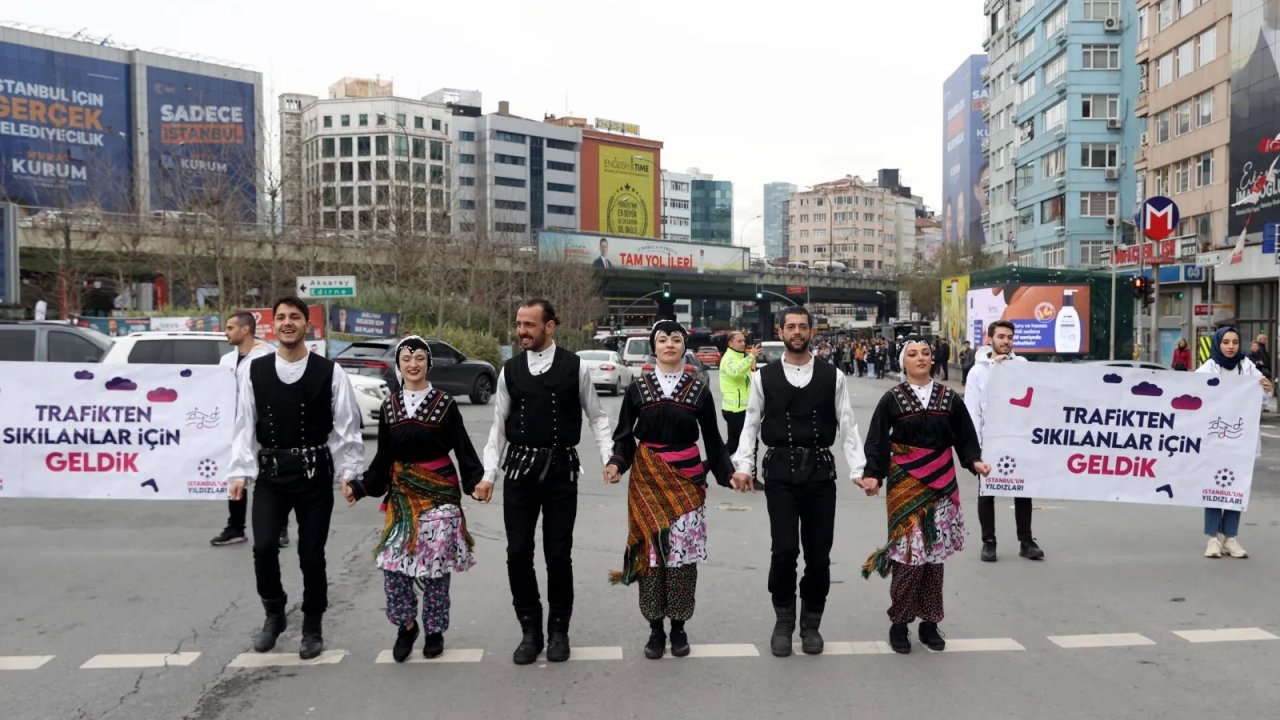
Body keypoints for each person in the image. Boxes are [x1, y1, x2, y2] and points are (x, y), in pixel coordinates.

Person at [225, 296, 364, 659]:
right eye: (281, 317)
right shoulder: (252, 370)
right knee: (264, 546)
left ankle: (312, 624)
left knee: (311, 553)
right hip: (271, 474)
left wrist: (350, 472)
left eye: (295, 317)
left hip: (315, 474)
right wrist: (239, 471)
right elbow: (244, 425)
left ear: (307, 325)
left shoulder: (330, 372)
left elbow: (347, 428)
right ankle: (274, 612)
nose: (288, 322)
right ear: (273, 325)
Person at [478, 299, 613, 665]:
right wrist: (488, 475)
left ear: (549, 326)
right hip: (519, 472)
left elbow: (597, 417)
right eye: (519, 323)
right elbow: (498, 429)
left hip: (560, 473)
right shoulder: (509, 371)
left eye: (529, 324)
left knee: (558, 553)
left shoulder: (575, 367)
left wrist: (609, 458)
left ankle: (558, 631)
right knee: (517, 552)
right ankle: (529, 630)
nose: (522, 330)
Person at [728, 306, 866, 658]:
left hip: (820, 473)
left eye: (803, 326)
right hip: (780, 475)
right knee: (785, 550)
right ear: (781, 331)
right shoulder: (764, 377)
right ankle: (784, 621)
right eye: (791, 326)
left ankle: (811, 625)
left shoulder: (833, 376)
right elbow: (751, 425)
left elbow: (848, 424)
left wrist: (859, 470)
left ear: (811, 332)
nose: (797, 332)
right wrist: (744, 465)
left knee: (819, 557)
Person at [343, 336, 483, 661]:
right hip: (402, 496)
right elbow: (382, 458)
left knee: (435, 567)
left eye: (419, 357)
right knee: (393, 566)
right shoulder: (389, 406)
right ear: (399, 364)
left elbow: (463, 448)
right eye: (407, 358)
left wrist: (476, 481)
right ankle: (406, 626)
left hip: (440, 494)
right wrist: (362, 486)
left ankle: (434, 630)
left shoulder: (445, 404)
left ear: (428, 363)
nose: (413, 364)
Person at [604, 320, 732, 659]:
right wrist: (617, 463)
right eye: (663, 340)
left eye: (676, 339)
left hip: (687, 479)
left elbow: (712, 437)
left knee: (681, 556)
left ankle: (678, 627)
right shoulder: (638, 387)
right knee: (652, 555)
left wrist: (727, 473)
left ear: (684, 346)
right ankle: (655, 630)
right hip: (647, 477)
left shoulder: (697, 387)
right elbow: (623, 433)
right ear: (654, 346)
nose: (670, 344)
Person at [857, 337, 989, 654]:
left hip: (942, 481)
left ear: (932, 359)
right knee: (908, 554)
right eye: (912, 354)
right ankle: (899, 623)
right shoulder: (892, 399)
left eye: (925, 353)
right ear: (903, 361)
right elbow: (877, 439)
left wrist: (974, 461)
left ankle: (930, 622)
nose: (920, 358)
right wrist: (873, 474)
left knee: (934, 555)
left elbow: (965, 436)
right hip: (905, 482)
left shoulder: (948, 398)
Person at [965, 320, 1043, 562]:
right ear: (990, 339)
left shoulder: (1022, 366)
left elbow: (1032, 399)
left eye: (1009, 337)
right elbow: (972, 411)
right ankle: (989, 542)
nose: (1006, 341)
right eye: (1001, 337)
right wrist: (975, 449)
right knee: (987, 493)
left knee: (1023, 491)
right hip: (989, 441)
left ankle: (1026, 541)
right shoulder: (978, 371)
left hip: (1017, 438)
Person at [1197, 326, 1273, 558]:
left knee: (1235, 489)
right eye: (1226, 342)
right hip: (1214, 440)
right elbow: (1196, 398)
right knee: (1214, 489)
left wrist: (1268, 389)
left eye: (1235, 342)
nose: (1231, 346)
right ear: (1218, 344)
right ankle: (1213, 539)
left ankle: (1231, 537)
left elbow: (1261, 399)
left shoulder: (1247, 367)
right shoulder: (1207, 369)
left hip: (1241, 440)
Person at [211, 311, 285, 548]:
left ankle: (280, 528)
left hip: (262, 425)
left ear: (245, 330)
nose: (226, 332)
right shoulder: (225, 361)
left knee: (270, 477)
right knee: (236, 474)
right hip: (234, 426)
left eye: (230, 327)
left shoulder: (266, 356)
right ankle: (235, 527)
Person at [719, 331, 759, 486]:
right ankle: (752, 478)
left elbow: (750, 380)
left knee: (733, 445)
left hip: (743, 408)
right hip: (734, 410)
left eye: (744, 340)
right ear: (730, 343)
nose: (743, 343)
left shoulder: (741, 357)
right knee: (752, 442)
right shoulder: (728, 358)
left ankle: (705, 467)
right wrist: (751, 357)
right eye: (739, 341)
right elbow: (735, 373)